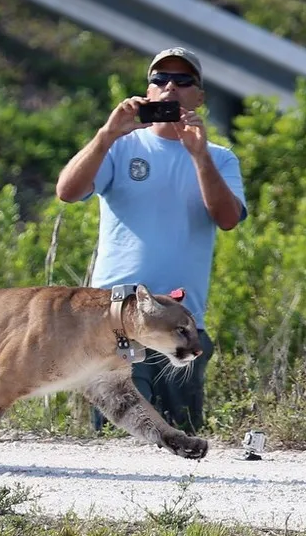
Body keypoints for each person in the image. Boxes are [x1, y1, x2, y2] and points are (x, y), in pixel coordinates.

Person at [55, 47, 247, 434]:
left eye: (182, 81)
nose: (169, 87)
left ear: (199, 96)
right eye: (160, 80)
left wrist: (198, 156)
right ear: (147, 91)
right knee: (119, 433)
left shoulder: (218, 157)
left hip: (182, 322)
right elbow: (68, 191)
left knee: (182, 433)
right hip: (114, 317)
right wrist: (107, 133)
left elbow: (227, 219)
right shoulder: (120, 147)